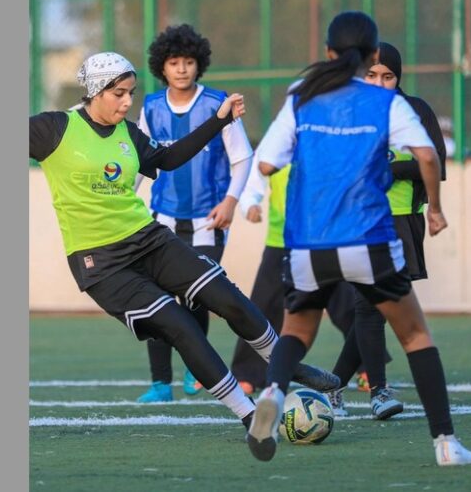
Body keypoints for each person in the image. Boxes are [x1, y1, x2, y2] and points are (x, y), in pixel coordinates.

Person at [29, 52, 339, 431]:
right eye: (120, 94)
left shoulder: (128, 133)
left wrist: (219, 120)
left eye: (131, 93)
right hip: (102, 265)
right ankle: (249, 416)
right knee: (181, 326)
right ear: (95, 91)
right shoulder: (53, 128)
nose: (128, 102)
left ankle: (289, 365)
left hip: (149, 239)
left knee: (227, 298)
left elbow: (170, 158)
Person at [244, 12, 471, 466]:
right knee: (414, 335)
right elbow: (429, 156)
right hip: (369, 238)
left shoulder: (302, 96)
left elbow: (267, 162)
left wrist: (254, 198)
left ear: (330, 53)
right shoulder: (386, 104)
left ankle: (274, 390)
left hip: (308, 241)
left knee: (297, 329)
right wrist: (434, 207)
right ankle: (446, 443)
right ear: (372, 55)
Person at [327, 41, 448, 420]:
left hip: (405, 219)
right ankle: (378, 391)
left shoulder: (416, 111)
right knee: (370, 305)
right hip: (364, 220)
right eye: (372, 75)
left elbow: (436, 165)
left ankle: (333, 384)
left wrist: (390, 169)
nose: (380, 83)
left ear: (399, 78)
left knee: (381, 306)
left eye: (388, 76)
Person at [134, 24, 254, 403]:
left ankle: (194, 372)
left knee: (197, 295)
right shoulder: (151, 107)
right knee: (156, 300)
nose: (182, 69)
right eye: (174, 62)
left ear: (198, 64)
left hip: (208, 221)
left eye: (188, 62)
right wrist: (127, 199)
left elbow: (242, 157)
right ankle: (159, 383)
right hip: (163, 219)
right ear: (162, 67)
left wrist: (231, 201)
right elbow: (139, 160)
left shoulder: (217, 104)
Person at [228, 153, 364, 395]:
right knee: (262, 308)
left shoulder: (325, 141)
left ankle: (368, 368)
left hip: (324, 240)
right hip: (281, 242)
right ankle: (247, 373)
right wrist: (250, 207)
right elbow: (252, 187)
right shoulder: (275, 144)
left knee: (347, 304)